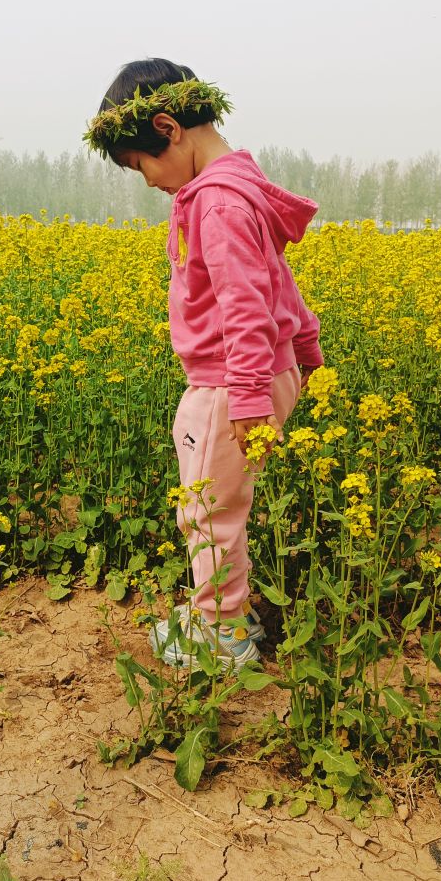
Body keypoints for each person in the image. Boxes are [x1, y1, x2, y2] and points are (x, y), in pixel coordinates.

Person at [83, 58, 323, 668]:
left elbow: (244, 304)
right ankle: (223, 610)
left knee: (208, 511)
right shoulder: (241, 188)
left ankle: (222, 633)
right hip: (259, 374)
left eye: (141, 165)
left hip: (230, 383)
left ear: (168, 128)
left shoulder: (215, 205)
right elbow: (276, 279)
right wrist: (303, 346)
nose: (146, 181)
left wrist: (245, 398)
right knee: (220, 503)